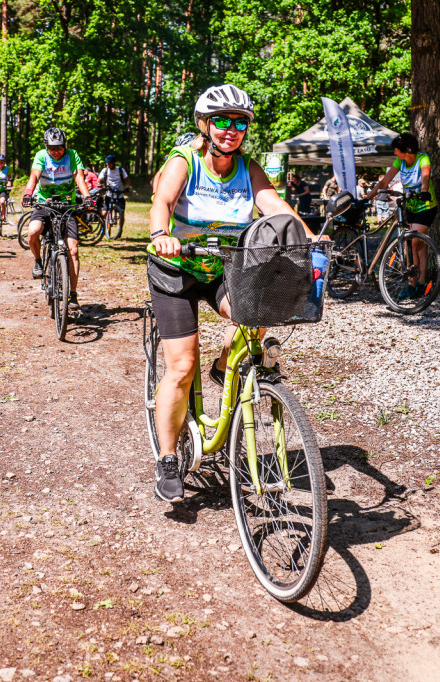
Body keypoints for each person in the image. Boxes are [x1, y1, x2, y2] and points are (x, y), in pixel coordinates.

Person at [148, 84, 319, 503]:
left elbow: (274, 204)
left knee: (264, 312)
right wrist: (160, 234)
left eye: (239, 122)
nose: (231, 129)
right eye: (221, 120)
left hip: (225, 267)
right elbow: (162, 201)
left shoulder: (248, 167)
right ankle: (169, 458)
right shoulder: (184, 161)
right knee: (182, 366)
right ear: (205, 125)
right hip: (176, 268)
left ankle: (225, 368)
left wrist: (310, 238)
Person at [21, 127, 92, 311]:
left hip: (68, 205)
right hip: (45, 203)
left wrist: (88, 197)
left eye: (59, 147)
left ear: (64, 145)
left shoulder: (72, 155)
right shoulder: (41, 155)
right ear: (47, 147)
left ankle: (73, 295)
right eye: (52, 148)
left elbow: (79, 178)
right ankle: (38, 261)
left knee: (73, 250)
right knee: (33, 232)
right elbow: (34, 175)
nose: (56, 151)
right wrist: (29, 193)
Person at [368, 132, 437, 299]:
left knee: (412, 242)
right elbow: (385, 181)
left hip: (426, 206)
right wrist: (368, 197)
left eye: (396, 150)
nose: (394, 153)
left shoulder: (423, 159)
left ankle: (411, 284)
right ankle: (421, 284)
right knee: (419, 245)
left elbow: (425, 176)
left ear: (407, 150)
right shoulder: (400, 161)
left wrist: (424, 191)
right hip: (411, 207)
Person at [98, 154, 129, 227]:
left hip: (119, 194)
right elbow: (99, 180)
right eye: (107, 163)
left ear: (114, 163)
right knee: (104, 212)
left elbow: (127, 180)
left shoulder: (121, 170)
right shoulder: (105, 170)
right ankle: (103, 227)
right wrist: (100, 183)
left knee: (121, 212)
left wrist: (127, 187)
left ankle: (120, 228)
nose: (108, 165)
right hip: (109, 194)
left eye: (109, 163)